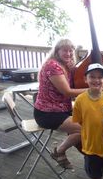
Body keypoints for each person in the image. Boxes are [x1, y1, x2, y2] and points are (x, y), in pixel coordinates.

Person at [34, 38, 87, 169]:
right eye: (65, 50)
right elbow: (67, 91)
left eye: (71, 51)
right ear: (57, 51)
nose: (68, 54)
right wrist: (92, 90)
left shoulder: (65, 65)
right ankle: (59, 151)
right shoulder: (53, 66)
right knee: (88, 128)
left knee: (89, 124)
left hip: (62, 110)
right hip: (48, 114)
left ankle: (60, 151)